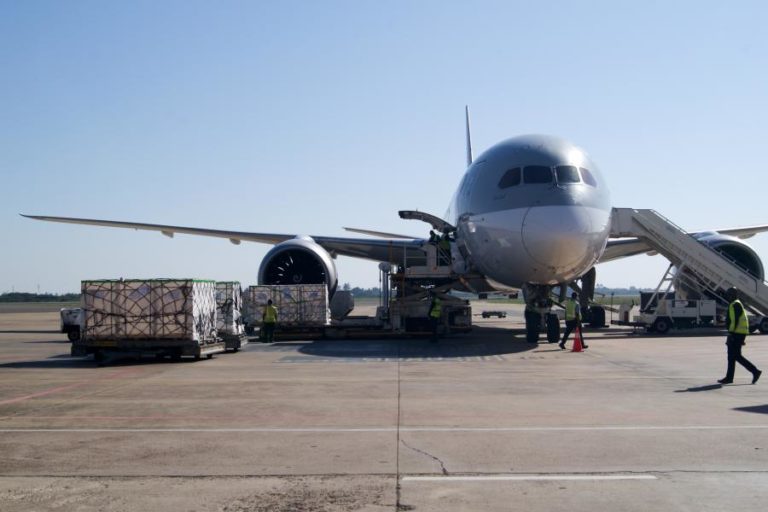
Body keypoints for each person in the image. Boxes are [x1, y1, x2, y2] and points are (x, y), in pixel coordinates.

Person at [718, 287, 761, 384]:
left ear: (732, 295)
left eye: (729, 294)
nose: (727, 296)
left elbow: (735, 320)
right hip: (737, 333)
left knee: (736, 356)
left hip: (736, 333)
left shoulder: (735, 304)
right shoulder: (735, 303)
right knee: (731, 356)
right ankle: (729, 378)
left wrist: (731, 333)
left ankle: (755, 371)